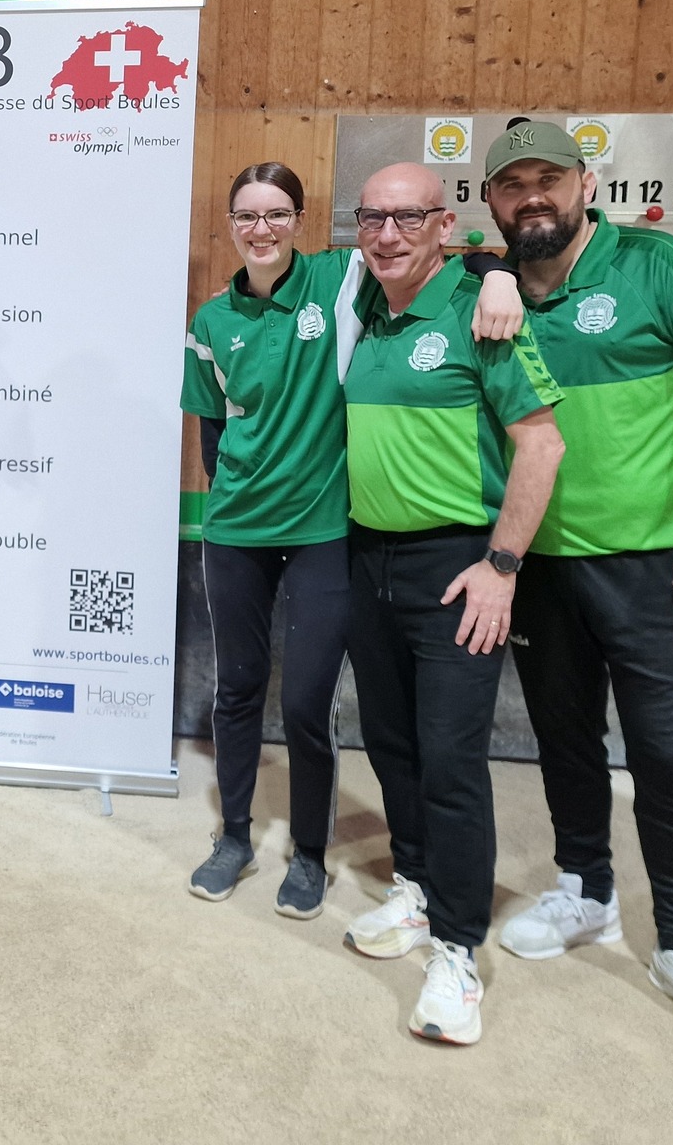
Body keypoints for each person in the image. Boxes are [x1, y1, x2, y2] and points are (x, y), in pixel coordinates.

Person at [480, 123, 673, 1054]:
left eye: (549, 178)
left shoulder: (658, 265)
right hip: (541, 566)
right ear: (490, 202)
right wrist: (489, 274)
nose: (533, 196)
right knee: (564, 740)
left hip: (658, 567)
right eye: (512, 183)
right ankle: (586, 891)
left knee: (669, 756)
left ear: (587, 184)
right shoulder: (489, 286)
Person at [180, 164, 523, 916]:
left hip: (324, 530)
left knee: (307, 702)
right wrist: (239, 488)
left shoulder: (342, 279)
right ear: (231, 226)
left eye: (277, 214)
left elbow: (437, 257)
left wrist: (497, 274)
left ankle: (310, 853)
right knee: (237, 688)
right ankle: (233, 836)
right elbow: (210, 431)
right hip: (235, 530)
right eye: (247, 216)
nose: (262, 229)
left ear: (299, 221)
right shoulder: (209, 321)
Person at [337, 162, 566, 1047]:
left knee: (451, 760)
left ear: (444, 225)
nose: (387, 235)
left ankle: (459, 951)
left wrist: (501, 566)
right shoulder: (365, 308)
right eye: (373, 218)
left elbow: (540, 446)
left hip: (458, 565)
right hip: (367, 559)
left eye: (408, 218)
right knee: (391, 744)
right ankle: (419, 888)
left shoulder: (482, 314)